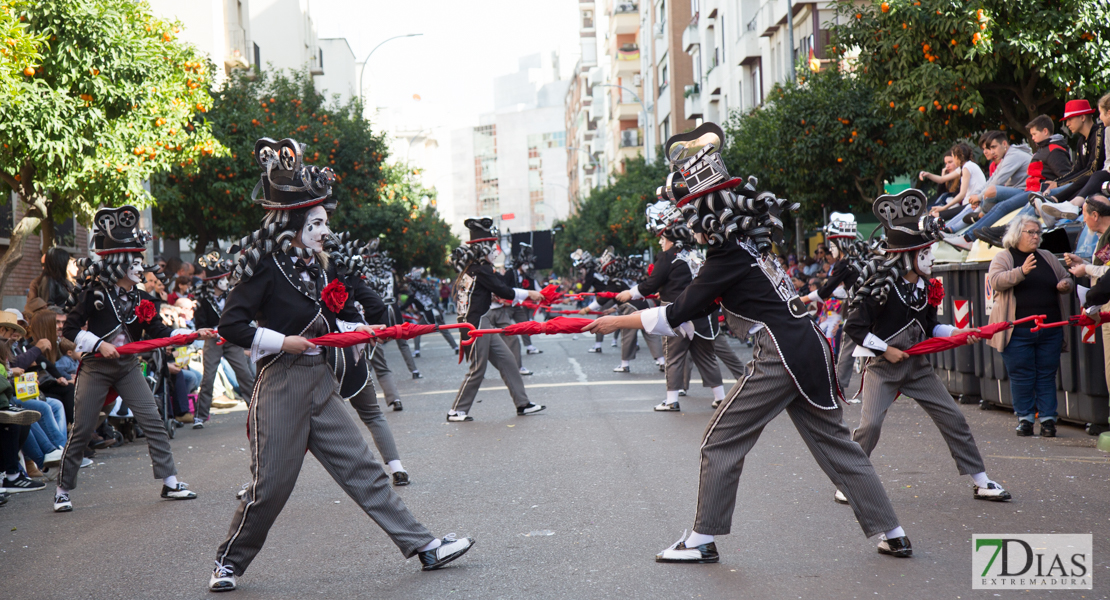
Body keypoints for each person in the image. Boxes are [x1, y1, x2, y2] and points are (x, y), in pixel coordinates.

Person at [585, 122, 912, 562]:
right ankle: (893, 531)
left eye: (691, 216)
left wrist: (618, 322)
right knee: (838, 445)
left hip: (780, 354)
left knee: (719, 441)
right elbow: (696, 306)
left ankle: (702, 540)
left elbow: (681, 310)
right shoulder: (751, 248)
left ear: (708, 217)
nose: (688, 227)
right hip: (810, 346)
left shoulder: (726, 256)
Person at [210, 137, 473, 592]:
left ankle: (425, 546)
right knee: (270, 488)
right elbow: (231, 325)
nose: (323, 230)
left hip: (322, 381)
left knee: (364, 470)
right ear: (292, 223)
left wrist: (358, 326)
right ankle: (228, 563)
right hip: (281, 386)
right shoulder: (266, 267)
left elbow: (331, 316)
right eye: (316, 222)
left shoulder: (319, 266)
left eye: (324, 222)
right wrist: (282, 341)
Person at [841, 189, 1012, 505]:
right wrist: (886, 351)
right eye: (926, 253)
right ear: (908, 257)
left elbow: (932, 327)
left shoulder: (927, 286)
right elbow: (855, 328)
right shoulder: (881, 287)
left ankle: (981, 480)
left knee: (954, 418)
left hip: (918, 368)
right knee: (870, 426)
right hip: (883, 368)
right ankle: (849, 479)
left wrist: (963, 332)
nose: (932, 258)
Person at [58, 206, 215, 513]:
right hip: (96, 367)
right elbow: (72, 329)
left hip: (129, 367)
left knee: (153, 420)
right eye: (135, 261)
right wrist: (98, 345)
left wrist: (193, 333)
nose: (141, 267)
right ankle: (63, 489)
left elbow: (160, 331)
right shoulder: (94, 293)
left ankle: (170, 482)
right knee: (83, 428)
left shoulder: (144, 298)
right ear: (119, 263)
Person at [619, 203, 729, 411]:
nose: (660, 242)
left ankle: (671, 401)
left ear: (669, 236)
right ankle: (720, 397)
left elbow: (651, 283)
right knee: (706, 357)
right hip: (703, 314)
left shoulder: (668, 256)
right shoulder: (695, 253)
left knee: (674, 356)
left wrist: (630, 293)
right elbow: (684, 281)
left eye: (661, 238)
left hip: (677, 313)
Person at [324, 234, 412, 484]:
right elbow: (376, 304)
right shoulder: (349, 274)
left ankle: (261, 483)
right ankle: (397, 468)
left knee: (298, 425)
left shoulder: (308, 274)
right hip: (354, 353)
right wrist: (367, 325)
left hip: (321, 357)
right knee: (373, 414)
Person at [447, 218, 545, 422]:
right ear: (483, 249)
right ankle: (456, 410)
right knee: (477, 369)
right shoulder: (480, 269)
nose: (496, 250)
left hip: (482, 323)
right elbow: (504, 290)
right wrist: (529, 293)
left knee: (508, 361)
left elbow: (497, 289)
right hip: (474, 324)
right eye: (493, 246)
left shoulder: (475, 269)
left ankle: (523, 403)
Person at [986, 216, 1073, 437]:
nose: (1036, 236)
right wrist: (1021, 272)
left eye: (1038, 232)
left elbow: (1066, 278)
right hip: (1017, 330)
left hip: (1049, 328)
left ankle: (1048, 420)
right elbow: (995, 281)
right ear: (1017, 234)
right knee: (1021, 375)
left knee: (1046, 374)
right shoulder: (1004, 257)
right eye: (1030, 232)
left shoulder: (1046, 257)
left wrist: (1065, 285)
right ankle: (1024, 419)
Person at [945, 116, 1074, 249]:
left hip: (1037, 191)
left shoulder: (1053, 150)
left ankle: (972, 233)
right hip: (1032, 190)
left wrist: (1056, 184)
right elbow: (993, 179)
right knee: (999, 205)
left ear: (1045, 132)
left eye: (1034, 134)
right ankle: (966, 232)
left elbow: (1067, 176)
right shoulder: (1043, 149)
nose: (1033, 138)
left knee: (1000, 203)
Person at [797, 213, 866, 392]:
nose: (830, 250)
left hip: (860, 310)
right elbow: (844, 290)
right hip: (868, 307)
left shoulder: (844, 264)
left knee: (848, 342)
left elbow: (825, 291)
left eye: (832, 245)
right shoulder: (860, 258)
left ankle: (839, 386)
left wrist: (802, 299)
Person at [193, 252, 256, 429]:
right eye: (221, 279)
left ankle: (256, 411)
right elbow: (200, 324)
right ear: (213, 282)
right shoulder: (203, 301)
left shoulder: (232, 295)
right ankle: (200, 416)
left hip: (232, 339)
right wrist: (212, 332)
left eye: (225, 278)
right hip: (213, 341)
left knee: (244, 374)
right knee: (208, 378)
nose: (225, 282)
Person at [1036, 98, 1108, 223]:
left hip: (1098, 184)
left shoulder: (1100, 133)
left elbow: (1093, 169)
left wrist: (1058, 184)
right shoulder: (1081, 141)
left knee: (1047, 193)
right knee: (1042, 194)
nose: (1067, 124)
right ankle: (1052, 202)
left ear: (1082, 117)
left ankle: (1053, 202)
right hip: (1090, 183)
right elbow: (1077, 169)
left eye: (1069, 119)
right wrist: (1058, 182)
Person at [928, 142, 987, 229]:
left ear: (957, 157)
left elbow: (961, 194)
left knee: (942, 221)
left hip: (970, 205)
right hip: (968, 204)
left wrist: (944, 208)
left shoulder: (967, 167)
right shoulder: (965, 167)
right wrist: (927, 174)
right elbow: (941, 179)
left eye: (952, 157)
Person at [402, 267, 458, 354]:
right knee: (444, 330)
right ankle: (455, 347)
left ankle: (417, 350)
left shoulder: (416, 294)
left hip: (429, 314)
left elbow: (405, 305)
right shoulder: (428, 289)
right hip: (436, 311)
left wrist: (399, 310)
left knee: (416, 331)